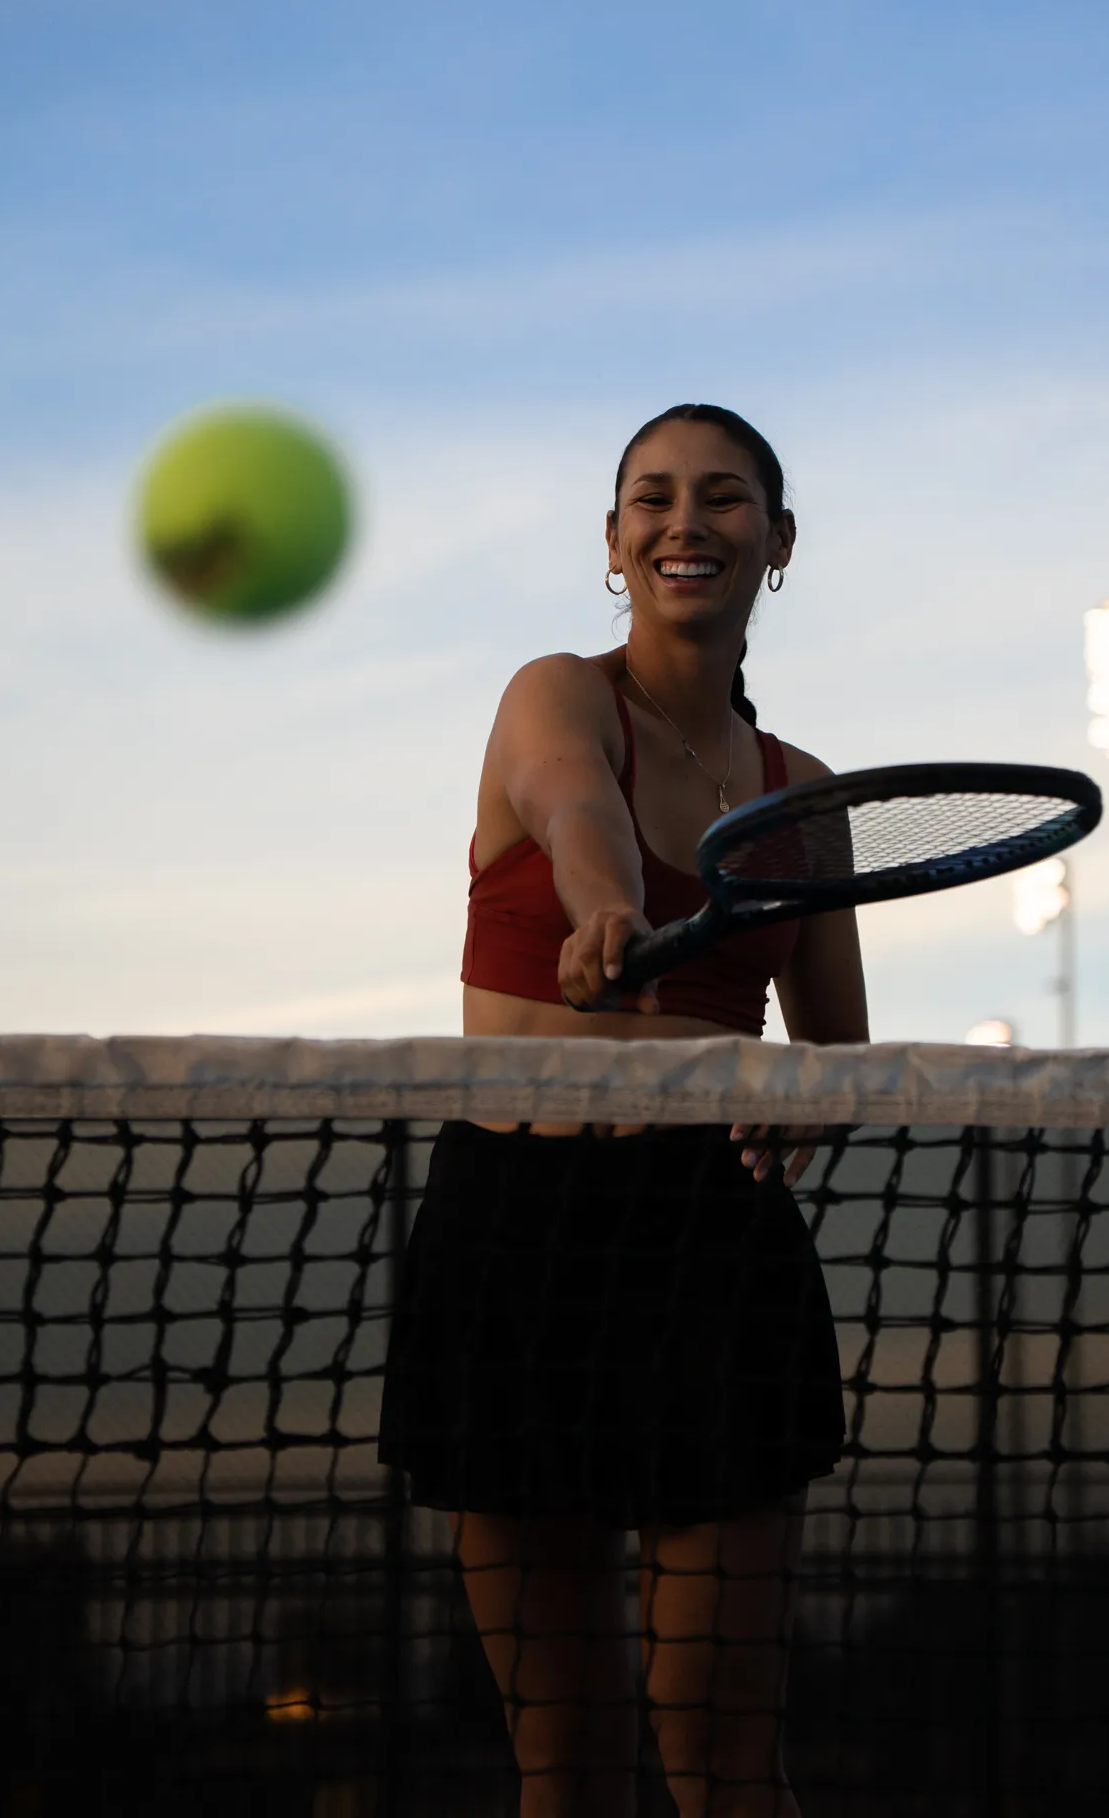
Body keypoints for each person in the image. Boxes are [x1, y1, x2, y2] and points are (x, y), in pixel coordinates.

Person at [380, 403, 869, 1818]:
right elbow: (570, 801)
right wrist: (606, 910)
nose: (684, 523)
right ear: (613, 543)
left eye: (723, 500)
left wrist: (811, 1099)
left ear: (776, 545)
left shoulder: (808, 798)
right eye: (652, 499)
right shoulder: (556, 692)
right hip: (512, 1243)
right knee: (568, 1764)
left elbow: (842, 1051)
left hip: (714, 1253)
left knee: (718, 1752)